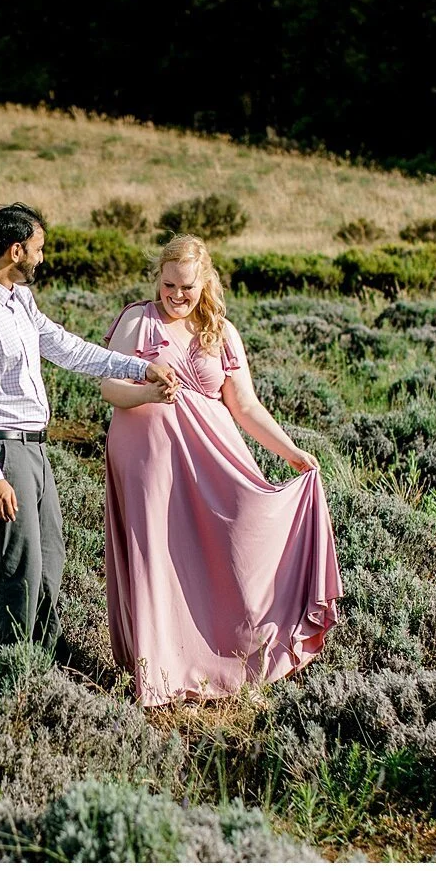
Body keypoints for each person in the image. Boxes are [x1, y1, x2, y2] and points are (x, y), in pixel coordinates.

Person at [99, 233, 343, 707]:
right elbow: (110, 388)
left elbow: (245, 406)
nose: (176, 296)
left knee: (231, 547)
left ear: (205, 282)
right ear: (158, 279)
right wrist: (148, 394)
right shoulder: (138, 321)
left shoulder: (221, 331)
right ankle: (159, 677)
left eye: (187, 287)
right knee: (159, 556)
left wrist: (291, 451)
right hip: (148, 460)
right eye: (168, 284)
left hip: (214, 457)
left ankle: (228, 659)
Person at [0, 203, 180, 653]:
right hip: (2, 452)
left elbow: (67, 349)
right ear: (16, 251)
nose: (42, 257)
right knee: (19, 567)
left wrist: (139, 367)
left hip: (33, 450)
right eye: (38, 248)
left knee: (50, 559)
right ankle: (16, 668)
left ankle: (45, 658)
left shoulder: (19, 300)